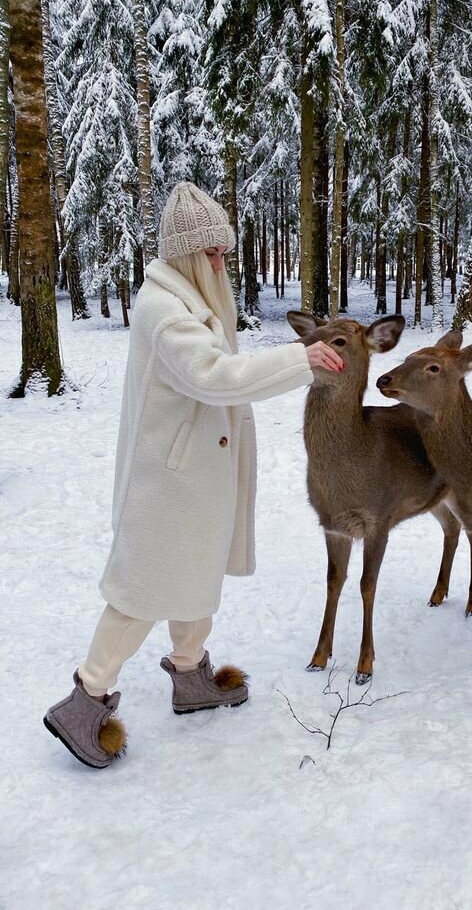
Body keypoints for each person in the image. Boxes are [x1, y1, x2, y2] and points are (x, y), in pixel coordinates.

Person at [44, 182, 343, 768]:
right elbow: (212, 375)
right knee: (141, 590)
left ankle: (189, 674)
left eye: (223, 253)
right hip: (167, 483)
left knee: (197, 572)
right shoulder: (163, 310)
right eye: (213, 253)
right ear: (187, 253)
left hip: (195, 477)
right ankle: (84, 698)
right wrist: (299, 360)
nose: (221, 263)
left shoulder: (189, 299)